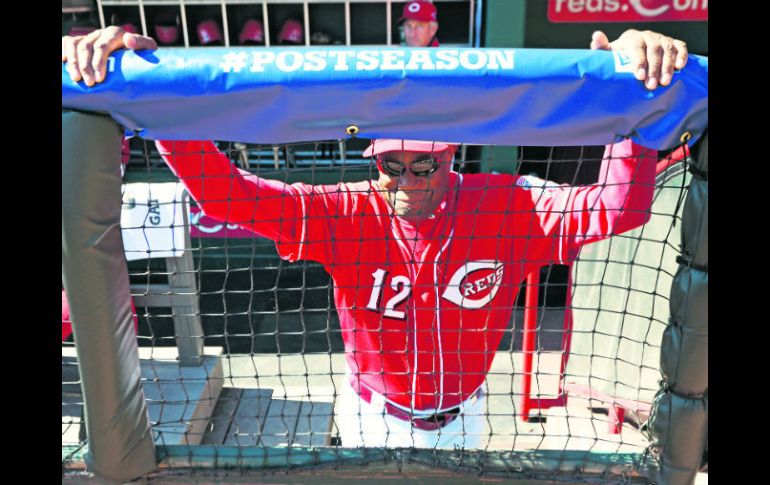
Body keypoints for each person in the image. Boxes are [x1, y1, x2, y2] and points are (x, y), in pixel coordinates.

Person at [62, 27, 688, 448]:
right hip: (370, 418)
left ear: (452, 158)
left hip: (467, 417)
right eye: (393, 164)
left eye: (426, 164)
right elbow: (227, 195)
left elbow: (618, 211)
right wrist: (166, 99)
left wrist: (634, 98)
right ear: (373, 160)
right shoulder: (346, 212)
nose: (409, 178)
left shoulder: (509, 204)